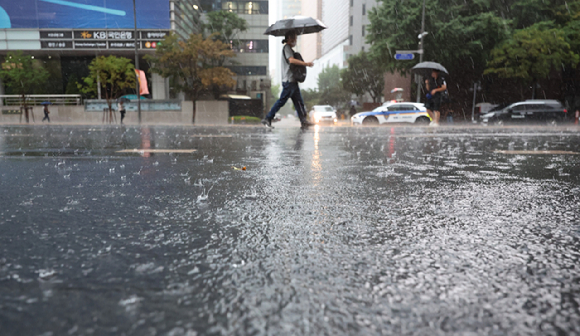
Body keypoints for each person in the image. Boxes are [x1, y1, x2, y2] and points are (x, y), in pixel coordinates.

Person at [262, 30, 314, 128]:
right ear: (290, 39)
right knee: (281, 101)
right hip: (289, 81)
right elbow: (291, 60)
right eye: (294, 38)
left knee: (299, 102)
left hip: (292, 81)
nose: (295, 40)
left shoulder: (289, 49)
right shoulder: (287, 48)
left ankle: (304, 121)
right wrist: (305, 63)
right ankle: (268, 118)